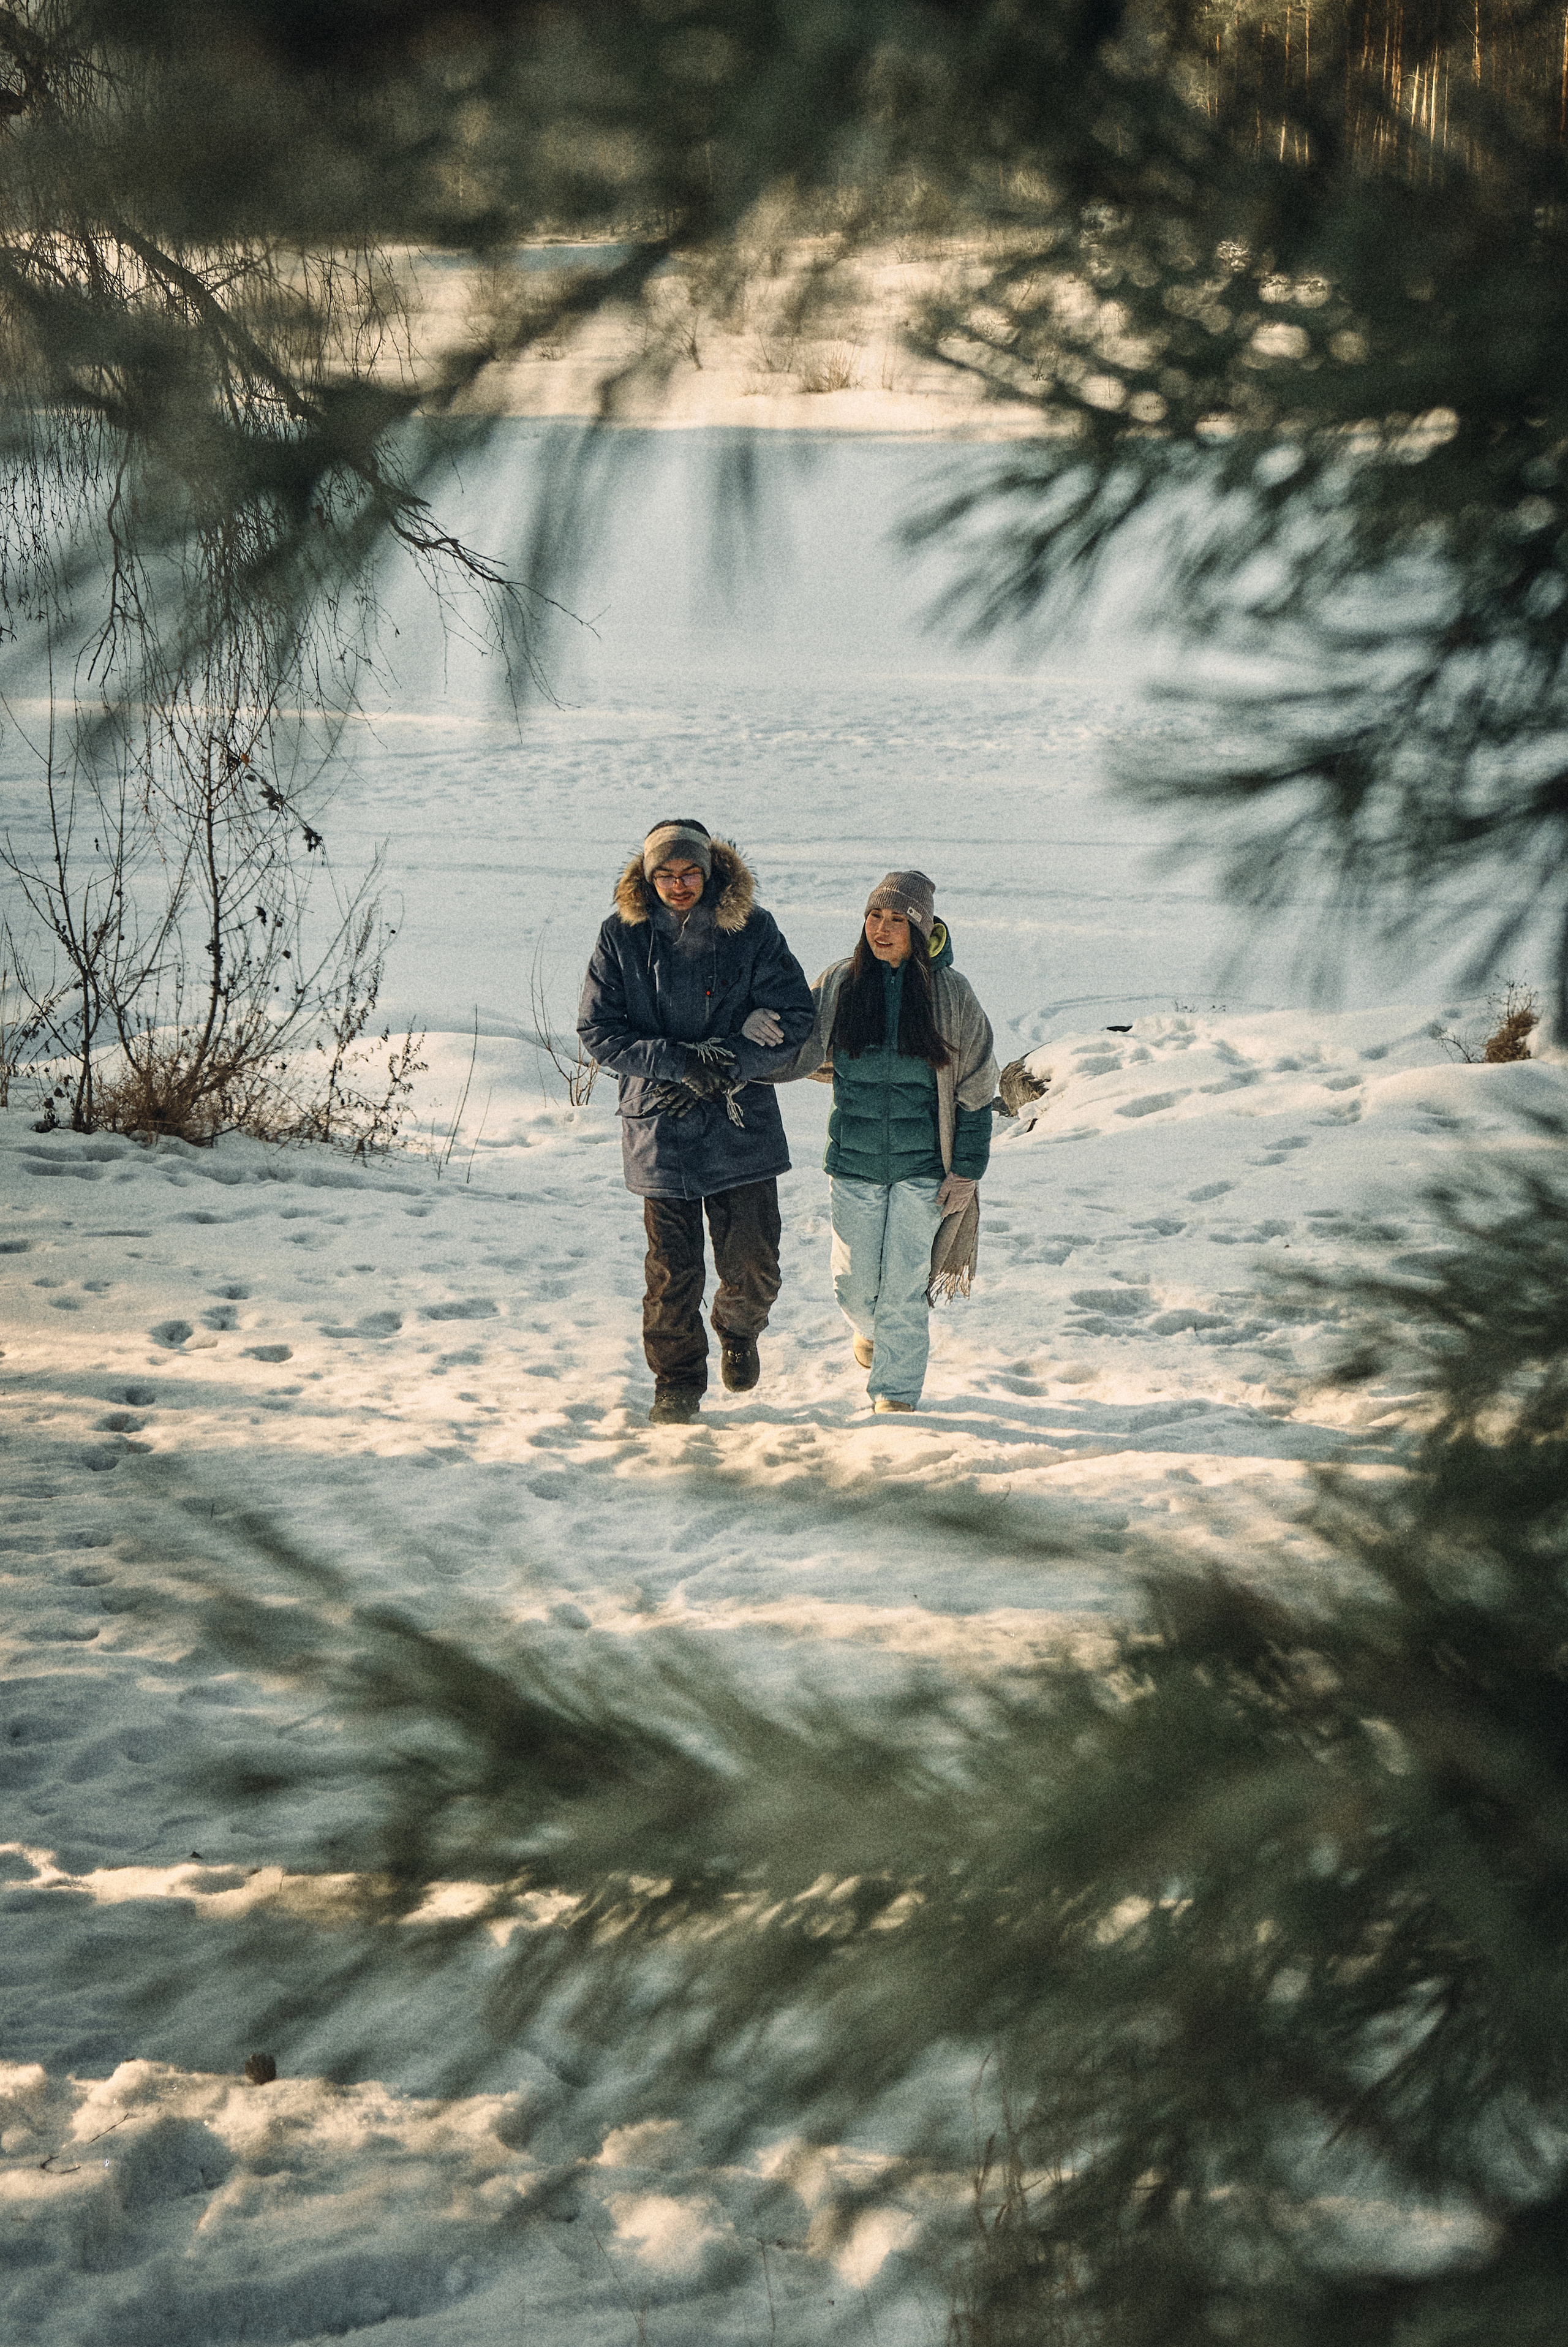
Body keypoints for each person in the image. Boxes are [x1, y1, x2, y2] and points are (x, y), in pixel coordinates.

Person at [577, 818, 815, 1426]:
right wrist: (678, 1062)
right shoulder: (621, 937)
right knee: (671, 1271)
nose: (678, 885)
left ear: (709, 873)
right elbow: (597, 1031)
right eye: (665, 874)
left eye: (689, 873)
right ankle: (677, 1383)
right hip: (661, 1123)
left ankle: (738, 1329)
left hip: (740, 1118)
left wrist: (732, 1061)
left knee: (755, 1261)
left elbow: (795, 1015)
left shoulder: (751, 930)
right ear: (647, 877)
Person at [776, 870, 997, 1412]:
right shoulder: (841, 982)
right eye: (875, 916)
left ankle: (895, 1399)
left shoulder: (951, 993)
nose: (882, 928)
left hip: (925, 1168)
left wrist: (966, 1171)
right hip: (853, 1162)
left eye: (898, 920)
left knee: (903, 1287)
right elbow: (795, 1039)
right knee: (852, 1286)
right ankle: (873, 1334)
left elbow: (977, 1086)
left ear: (919, 930)